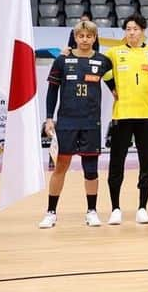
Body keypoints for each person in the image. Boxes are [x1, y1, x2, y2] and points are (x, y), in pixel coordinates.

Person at [39, 20, 111, 228]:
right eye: (81, 36)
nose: (85, 39)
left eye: (89, 36)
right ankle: (51, 212)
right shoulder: (62, 60)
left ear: (94, 38)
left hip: (91, 122)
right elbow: (52, 91)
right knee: (60, 166)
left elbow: (114, 83)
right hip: (67, 122)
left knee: (91, 169)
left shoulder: (103, 61)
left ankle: (92, 211)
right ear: (75, 37)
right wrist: (49, 117)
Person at [103, 14, 148, 225]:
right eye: (128, 29)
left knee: (146, 164)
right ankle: (115, 208)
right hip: (122, 115)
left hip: (147, 116)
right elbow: (100, 70)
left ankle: (142, 208)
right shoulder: (113, 53)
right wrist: (112, 88)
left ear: (143, 31)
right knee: (116, 163)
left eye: (136, 29)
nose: (132, 32)